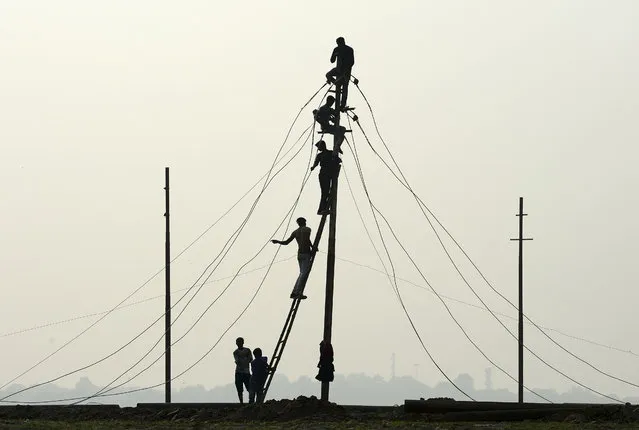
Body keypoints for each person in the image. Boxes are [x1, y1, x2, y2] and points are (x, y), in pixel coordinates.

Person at [271, 217, 315, 299]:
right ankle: (296, 292)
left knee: (302, 273)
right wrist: (313, 247)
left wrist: (277, 241)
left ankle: (296, 292)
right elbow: (307, 240)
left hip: (300, 255)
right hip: (306, 254)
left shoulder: (295, 232)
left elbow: (286, 242)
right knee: (303, 274)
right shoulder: (307, 229)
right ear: (304, 222)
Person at [310, 140, 342, 215]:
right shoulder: (320, 155)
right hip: (324, 174)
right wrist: (313, 167)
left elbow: (338, 160)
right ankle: (322, 209)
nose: (318, 149)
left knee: (328, 192)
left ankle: (324, 208)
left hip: (328, 174)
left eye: (319, 147)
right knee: (325, 192)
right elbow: (316, 163)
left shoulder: (330, 153)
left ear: (323, 146)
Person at [325, 37, 354, 111]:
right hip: (338, 70)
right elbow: (332, 60)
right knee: (328, 75)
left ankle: (342, 105)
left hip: (346, 72)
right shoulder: (336, 49)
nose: (339, 45)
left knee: (345, 88)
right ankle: (336, 83)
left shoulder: (349, 50)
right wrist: (335, 54)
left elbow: (351, 62)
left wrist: (345, 71)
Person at [233, 337, 253, 404]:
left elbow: (250, 359)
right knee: (239, 389)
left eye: (240, 342)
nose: (239, 344)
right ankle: (241, 402)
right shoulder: (235, 352)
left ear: (243, 342)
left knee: (250, 387)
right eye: (238, 342)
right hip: (239, 372)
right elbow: (238, 361)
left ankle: (251, 401)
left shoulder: (247, 350)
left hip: (246, 372)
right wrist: (245, 359)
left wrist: (242, 360)